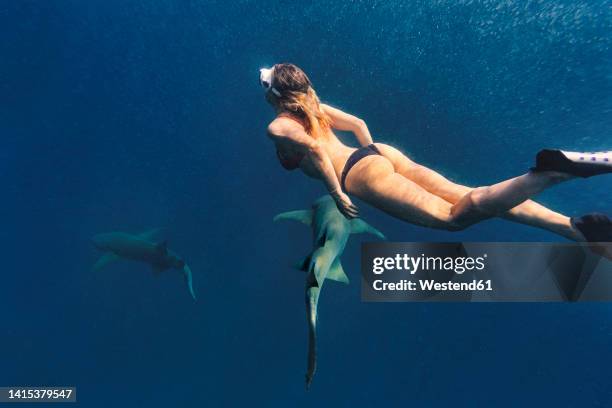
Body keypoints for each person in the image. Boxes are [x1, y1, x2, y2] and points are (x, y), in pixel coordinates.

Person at [261, 63, 612, 242]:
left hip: (357, 175)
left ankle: (552, 173)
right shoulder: (315, 106)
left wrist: (337, 193)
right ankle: (573, 228)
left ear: (276, 95)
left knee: (453, 217)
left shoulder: (278, 126)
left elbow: (315, 151)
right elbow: (357, 123)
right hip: (377, 154)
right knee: (469, 195)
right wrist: (374, 156)